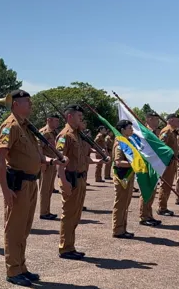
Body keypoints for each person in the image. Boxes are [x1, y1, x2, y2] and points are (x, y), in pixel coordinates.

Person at [0, 89, 63, 286]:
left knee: (24, 228)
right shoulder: (10, 126)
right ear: (16, 104)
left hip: (31, 182)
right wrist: (5, 191)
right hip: (18, 185)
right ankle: (13, 270)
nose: (31, 106)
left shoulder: (26, 126)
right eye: (27, 102)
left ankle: (21, 266)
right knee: (14, 228)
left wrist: (52, 161)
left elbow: (36, 156)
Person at [56, 105, 105, 260]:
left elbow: (83, 158)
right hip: (71, 179)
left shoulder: (78, 135)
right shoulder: (65, 135)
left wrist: (98, 160)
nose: (81, 119)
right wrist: (63, 181)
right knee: (69, 215)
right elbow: (60, 160)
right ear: (70, 117)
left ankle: (70, 246)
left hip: (81, 178)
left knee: (76, 215)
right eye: (78, 116)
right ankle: (65, 248)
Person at [156, 114, 179, 216]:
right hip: (167, 162)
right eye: (177, 121)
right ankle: (162, 207)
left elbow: (173, 146)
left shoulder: (173, 132)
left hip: (172, 161)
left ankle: (164, 206)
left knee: (168, 184)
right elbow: (161, 145)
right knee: (165, 184)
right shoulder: (166, 131)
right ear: (171, 120)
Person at [112, 119, 137, 238]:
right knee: (121, 203)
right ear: (122, 130)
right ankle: (117, 229)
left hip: (128, 175)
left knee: (126, 203)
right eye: (129, 128)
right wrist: (134, 164)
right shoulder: (119, 143)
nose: (131, 130)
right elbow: (118, 162)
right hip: (122, 176)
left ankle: (122, 228)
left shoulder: (128, 141)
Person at [138, 112, 161, 226]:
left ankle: (149, 215)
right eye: (155, 119)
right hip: (146, 166)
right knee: (146, 192)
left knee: (152, 192)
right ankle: (143, 216)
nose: (157, 122)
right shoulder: (144, 133)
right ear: (148, 119)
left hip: (154, 165)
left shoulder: (154, 133)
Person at [38, 112, 61, 220]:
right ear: (49, 120)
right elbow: (39, 149)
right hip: (46, 164)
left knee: (49, 190)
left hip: (53, 164)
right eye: (56, 120)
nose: (58, 123)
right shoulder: (44, 133)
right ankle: (43, 212)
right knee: (45, 189)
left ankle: (47, 210)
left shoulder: (54, 133)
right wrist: (43, 163)